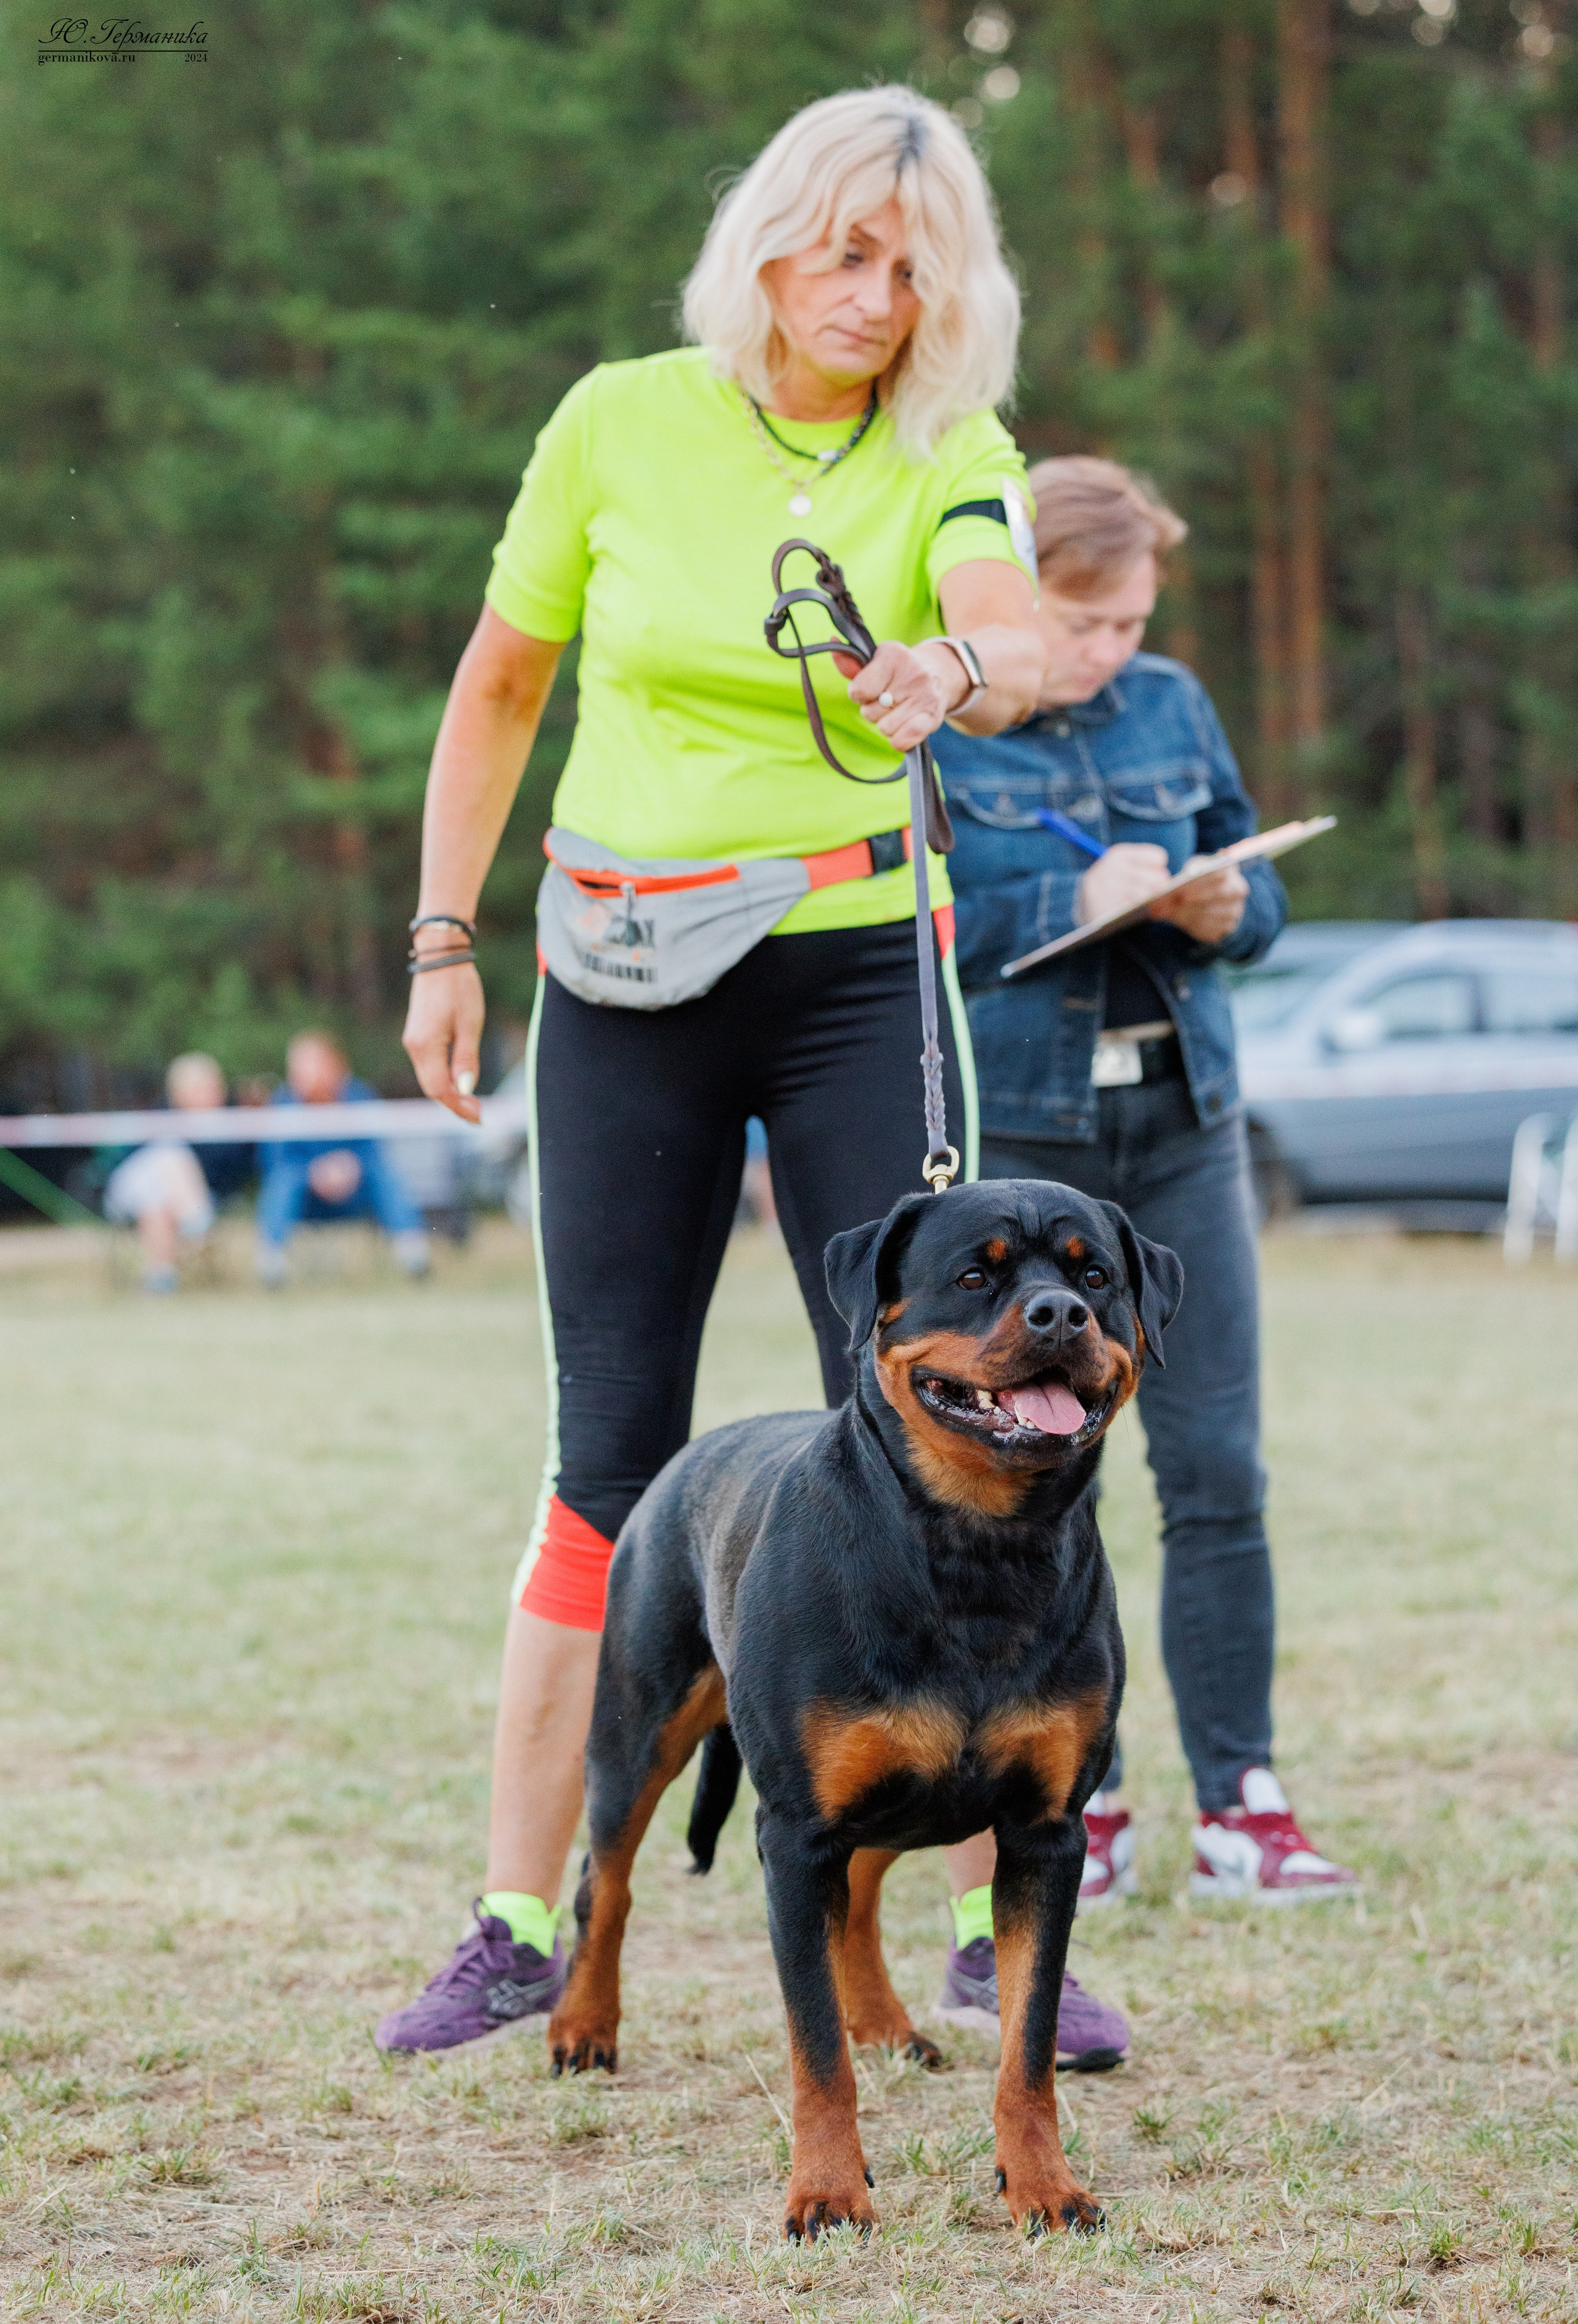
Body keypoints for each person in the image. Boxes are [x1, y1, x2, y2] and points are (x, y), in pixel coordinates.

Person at [378, 86, 1125, 2070]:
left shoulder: (949, 446)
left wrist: (959, 675)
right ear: (770, 239)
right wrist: (444, 937)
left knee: (943, 1417)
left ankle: (989, 1928)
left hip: (855, 967)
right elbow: (501, 684)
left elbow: (1017, 628)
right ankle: (520, 1920)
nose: (875, 294)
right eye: (846, 248)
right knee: (606, 1453)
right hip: (619, 974)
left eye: (915, 263)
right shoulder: (619, 417)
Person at [933, 456, 1357, 2033]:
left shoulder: (1173, 702)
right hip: (1031, 1152)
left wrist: (1210, 909)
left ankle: (1241, 1798)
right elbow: (923, 924)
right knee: (1041, 1487)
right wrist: (1070, 885)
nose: (1108, 648)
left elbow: (1259, 895)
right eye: (1083, 617)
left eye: (1127, 623)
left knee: (1216, 1470)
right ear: (1011, 588)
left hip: (1180, 1128)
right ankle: (1073, 1806)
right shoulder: (947, 715)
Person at [255, 1031, 430, 1285]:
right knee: (283, 1180)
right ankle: (271, 1264)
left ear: (332, 1065)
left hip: (355, 1192)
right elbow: (271, 1159)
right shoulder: (284, 1103)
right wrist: (313, 1173)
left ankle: (413, 1253)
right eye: (298, 1067)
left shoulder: (359, 1096)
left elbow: (375, 1148)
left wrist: (350, 1167)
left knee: (383, 1173)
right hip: (306, 1198)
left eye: (312, 1065)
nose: (305, 1074)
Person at [100, 1052, 254, 1291]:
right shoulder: (160, 1115)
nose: (212, 1094)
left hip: (175, 1197)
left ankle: (161, 1277)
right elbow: (131, 1160)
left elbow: (235, 1173)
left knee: (156, 1199)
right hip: (129, 1190)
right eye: (202, 1088)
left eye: (213, 1087)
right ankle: (197, 1221)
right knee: (168, 1153)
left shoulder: (231, 1124)